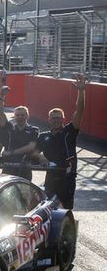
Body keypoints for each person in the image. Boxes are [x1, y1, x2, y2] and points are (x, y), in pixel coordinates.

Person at [35, 74, 87, 209]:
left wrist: (81, 91)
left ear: (64, 119)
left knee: (66, 210)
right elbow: (34, 151)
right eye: (53, 118)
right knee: (48, 207)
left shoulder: (70, 131)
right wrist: (40, 157)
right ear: (49, 120)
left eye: (58, 117)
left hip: (67, 177)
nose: (56, 120)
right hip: (51, 176)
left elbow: (79, 111)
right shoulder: (43, 136)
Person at [0, 86, 42, 181]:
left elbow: (31, 147)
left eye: (23, 115)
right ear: (14, 116)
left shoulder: (34, 129)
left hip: (25, 167)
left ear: (27, 116)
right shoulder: (9, 127)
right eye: (17, 115)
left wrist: (11, 152)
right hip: (8, 167)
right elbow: (0, 112)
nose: (20, 117)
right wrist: (1, 96)